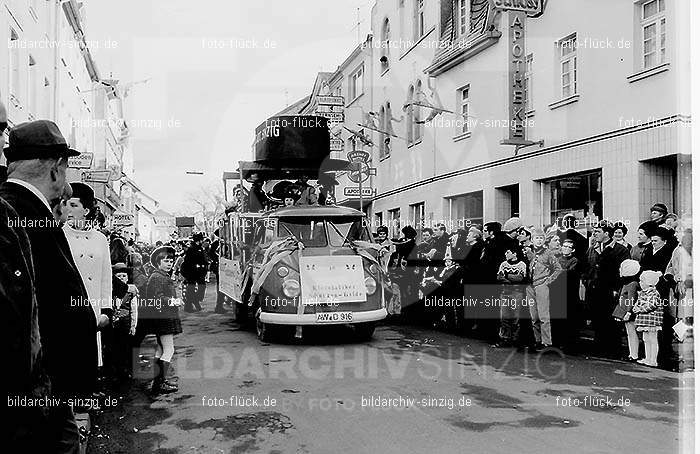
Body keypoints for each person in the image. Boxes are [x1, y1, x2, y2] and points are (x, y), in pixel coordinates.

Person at [1, 120, 96, 452]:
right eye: (67, 170)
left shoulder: (15, 208)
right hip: (39, 401)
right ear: (57, 169)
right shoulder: (25, 215)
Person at [63, 182, 113, 378]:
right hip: (67, 311)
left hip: (94, 311)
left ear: (86, 209)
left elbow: (105, 277)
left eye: (74, 205)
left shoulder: (100, 239)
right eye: (66, 204)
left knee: (89, 364)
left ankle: (85, 401)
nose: (68, 209)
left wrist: (106, 310)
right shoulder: (59, 235)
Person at [134, 246, 183, 394]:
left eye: (171, 261)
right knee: (169, 349)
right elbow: (157, 299)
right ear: (158, 262)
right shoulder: (157, 277)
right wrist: (174, 301)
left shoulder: (159, 275)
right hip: (164, 318)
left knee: (161, 349)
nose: (169, 263)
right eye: (166, 261)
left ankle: (159, 381)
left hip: (163, 318)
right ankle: (159, 383)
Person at [583, 220, 631, 357]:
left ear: (607, 233)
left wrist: (617, 289)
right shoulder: (592, 249)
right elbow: (587, 267)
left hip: (611, 291)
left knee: (611, 321)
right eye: (594, 231)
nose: (594, 234)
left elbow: (624, 271)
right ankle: (599, 348)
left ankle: (613, 350)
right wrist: (587, 282)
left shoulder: (620, 250)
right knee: (597, 319)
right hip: (594, 290)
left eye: (597, 231)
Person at [527, 227, 563, 351]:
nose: (539, 240)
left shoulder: (549, 253)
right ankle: (537, 339)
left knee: (544, 316)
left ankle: (546, 341)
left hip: (541, 285)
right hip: (530, 286)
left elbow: (558, 269)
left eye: (541, 238)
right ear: (532, 240)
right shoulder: (529, 252)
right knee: (534, 316)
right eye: (537, 238)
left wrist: (548, 281)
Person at [494, 248, 527, 348]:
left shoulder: (522, 264)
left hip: (517, 293)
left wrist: (507, 275)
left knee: (515, 318)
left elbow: (520, 278)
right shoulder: (503, 264)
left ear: (514, 253)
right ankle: (505, 338)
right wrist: (511, 279)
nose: (506, 254)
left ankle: (515, 339)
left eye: (508, 252)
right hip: (505, 292)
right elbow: (499, 277)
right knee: (504, 317)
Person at [633, 270, 664, 367]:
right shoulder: (642, 293)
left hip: (652, 320)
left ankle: (653, 360)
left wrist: (639, 309)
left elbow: (651, 305)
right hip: (645, 320)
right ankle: (648, 357)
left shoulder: (654, 293)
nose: (640, 283)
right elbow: (638, 302)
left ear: (649, 283)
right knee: (646, 339)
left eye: (642, 281)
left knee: (652, 339)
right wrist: (635, 307)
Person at [614, 259, 641, 362]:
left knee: (632, 333)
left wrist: (628, 312)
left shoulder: (632, 284)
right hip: (627, 310)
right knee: (630, 333)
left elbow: (631, 299)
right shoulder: (629, 283)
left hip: (629, 312)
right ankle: (632, 353)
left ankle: (634, 354)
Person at [181, 232, 209, 312]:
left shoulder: (200, 248)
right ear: (199, 240)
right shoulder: (192, 249)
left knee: (201, 287)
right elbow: (187, 262)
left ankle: (195, 300)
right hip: (192, 272)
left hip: (199, 272)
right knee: (191, 288)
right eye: (201, 239)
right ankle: (189, 306)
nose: (203, 241)